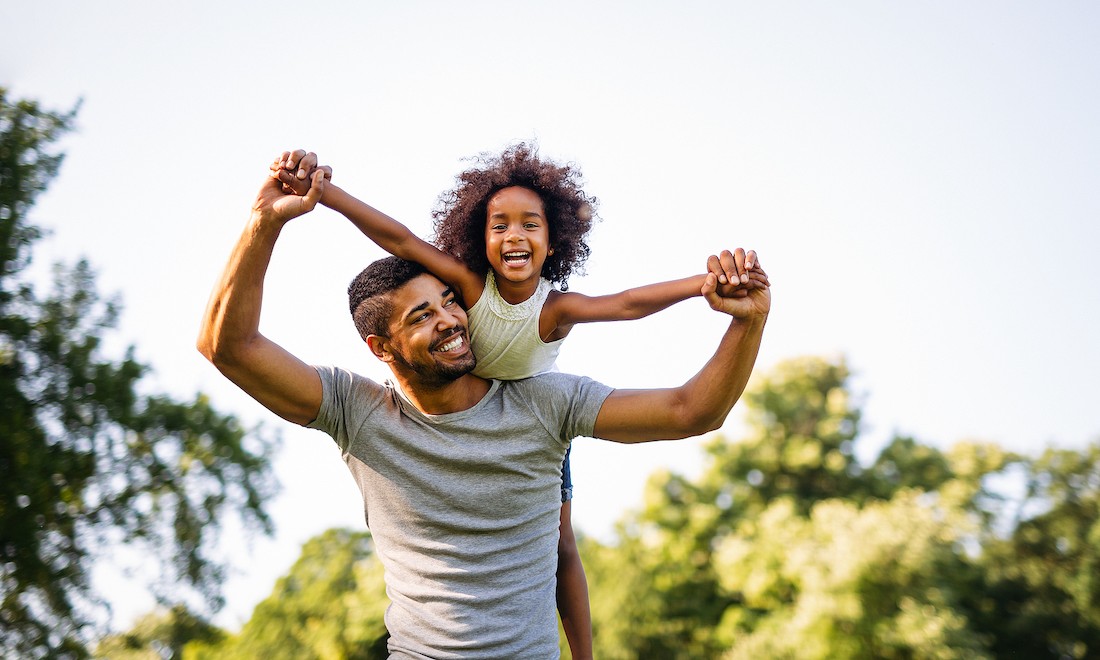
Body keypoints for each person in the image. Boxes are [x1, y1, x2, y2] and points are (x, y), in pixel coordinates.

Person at [197, 161, 770, 658]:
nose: (449, 319)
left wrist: (748, 321)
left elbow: (691, 411)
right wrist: (264, 223)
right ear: (380, 348)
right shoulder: (358, 412)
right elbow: (228, 345)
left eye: (448, 302)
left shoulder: (545, 402)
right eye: (420, 316)